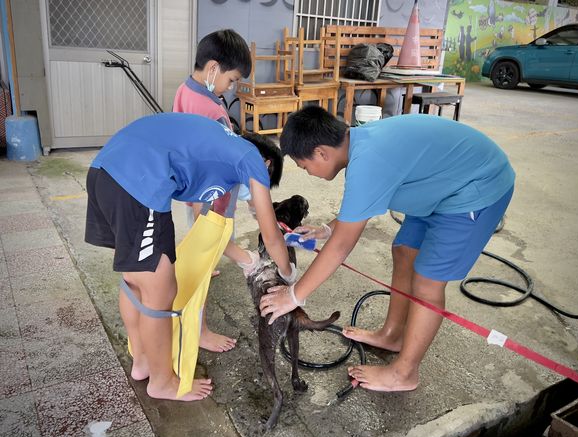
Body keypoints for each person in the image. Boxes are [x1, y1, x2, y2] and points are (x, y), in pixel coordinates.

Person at [259, 106, 515, 392]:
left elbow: (342, 246)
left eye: (304, 166)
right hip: (443, 185)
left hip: (476, 189)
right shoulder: (360, 144)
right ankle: (392, 334)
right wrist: (328, 229)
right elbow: (354, 215)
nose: (308, 173)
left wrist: (293, 295)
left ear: (321, 152)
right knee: (404, 250)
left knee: (428, 281)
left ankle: (405, 373)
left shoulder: (367, 161)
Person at [85, 112, 296, 401]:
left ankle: (143, 361)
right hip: (138, 184)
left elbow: (203, 217)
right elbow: (271, 234)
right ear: (267, 164)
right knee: (160, 291)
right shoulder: (250, 158)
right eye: (263, 184)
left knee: (135, 279)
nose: (252, 194)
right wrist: (288, 275)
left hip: (104, 172)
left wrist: (239, 255)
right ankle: (163, 382)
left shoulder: (216, 147)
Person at [173, 28, 256, 352]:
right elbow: (221, 162)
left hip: (190, 189)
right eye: (232, 79)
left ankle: (211, 257)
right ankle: (200, 331)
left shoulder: (187, 89)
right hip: (210, 199)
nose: (231, 87)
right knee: (203, 258)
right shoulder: (212, 112)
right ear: (212, 69)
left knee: (202, 243)